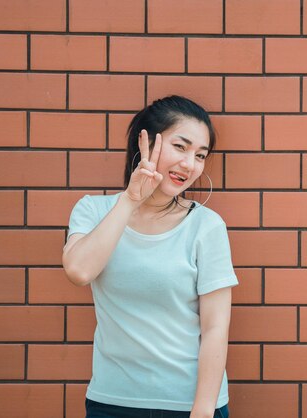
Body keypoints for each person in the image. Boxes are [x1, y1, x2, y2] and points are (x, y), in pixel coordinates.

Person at [62, 95, 237, 418]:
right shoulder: (93, 210)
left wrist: (203, 409)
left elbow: (216, 327)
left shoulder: (206, 226)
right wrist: (130, 199)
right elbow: (79, 271)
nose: (190, 164)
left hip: (190, 404)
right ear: (144, 141)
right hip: (112, 402)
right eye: (181, 147)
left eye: (200, 155)